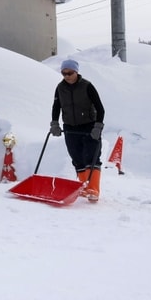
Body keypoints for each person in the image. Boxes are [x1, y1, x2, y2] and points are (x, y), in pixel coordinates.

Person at [51, 59, 106, 202]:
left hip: (89, 126)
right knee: (76, 158)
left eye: (70, 73)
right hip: (70, 126)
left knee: (91, 156)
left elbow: (100, 108)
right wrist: (55, 124)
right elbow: (56, 107)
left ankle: (93, 189)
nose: (67, 76)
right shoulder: (60, 87)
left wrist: (98, 127)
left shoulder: (87, 86)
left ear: (76, 72)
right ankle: (83, 187)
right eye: (64, 73)